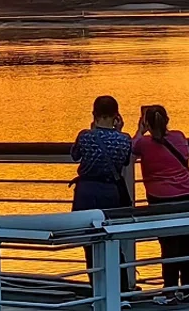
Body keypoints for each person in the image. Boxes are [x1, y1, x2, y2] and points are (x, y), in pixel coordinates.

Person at [134, 105, 189, 305]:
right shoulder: (179, 137)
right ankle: (187, 289)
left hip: (161, 198)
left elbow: (130, 149)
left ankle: (169, 291)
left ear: (147, 123)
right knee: (187, 242)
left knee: (169, 244)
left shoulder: (144, 144)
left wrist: (139, 130)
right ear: (167, 119)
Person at [70, 95, 132, 303]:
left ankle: (98, 291)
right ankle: (121, 293)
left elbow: (75, 155)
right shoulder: (124, 139)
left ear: (94, 114)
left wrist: (91, 129)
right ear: (116, 116)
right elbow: (123, 162)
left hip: (86, 192)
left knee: (89, 243)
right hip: (110, 192)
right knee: (112, 239)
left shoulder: (85, 136)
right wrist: (120, 131)